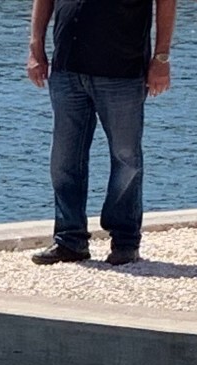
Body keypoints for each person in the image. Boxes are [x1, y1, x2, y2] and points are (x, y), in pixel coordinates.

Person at [27, 0, 177, 266]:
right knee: (64, 159)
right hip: (67, 68)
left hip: (123, 71)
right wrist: (36, 48)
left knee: (126, 158)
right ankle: (69, 239)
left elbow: (166, 3)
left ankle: (125, 241)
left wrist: (161, 57)